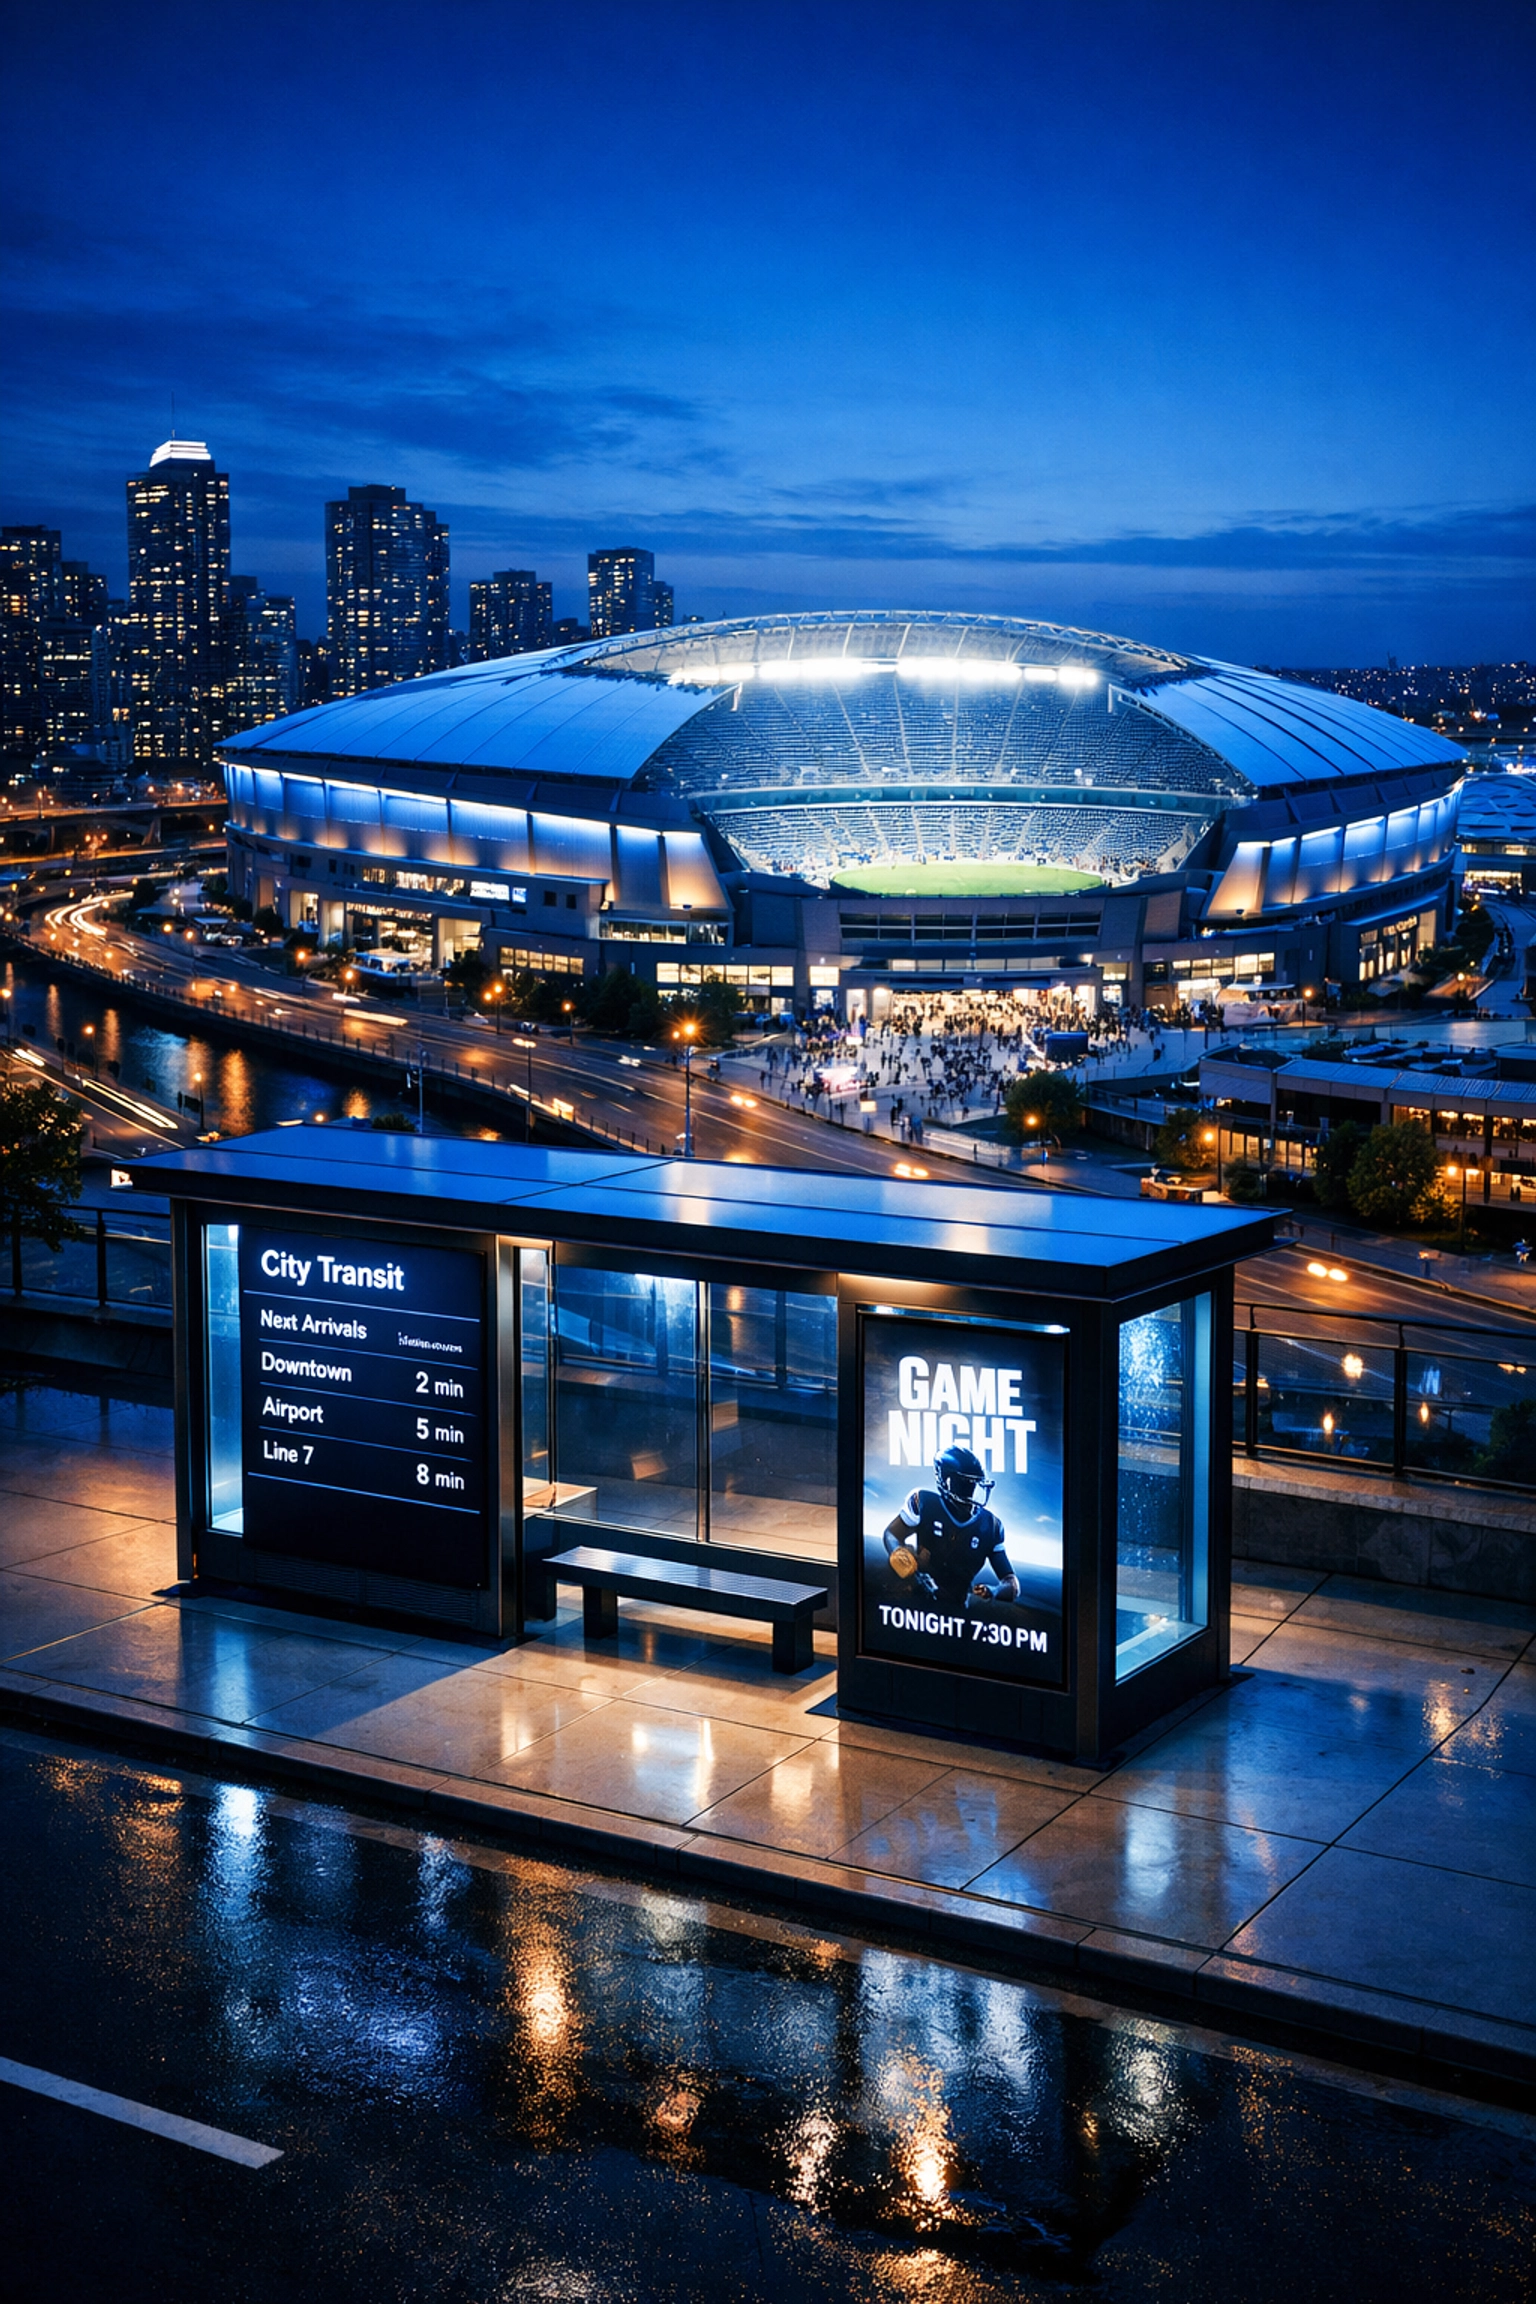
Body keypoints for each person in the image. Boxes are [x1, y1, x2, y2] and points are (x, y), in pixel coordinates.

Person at [883, 1445, 1020, 1610]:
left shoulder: (991, 1526)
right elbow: (892, 1534)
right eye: (965, 1485)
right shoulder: (925, 1502)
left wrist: (994, 1591)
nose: (972, 1493)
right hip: (917, 1604)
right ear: (947, 1481)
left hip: (957, 1611)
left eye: (975, 1486)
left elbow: (1011, 1583)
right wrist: (903, 1561)